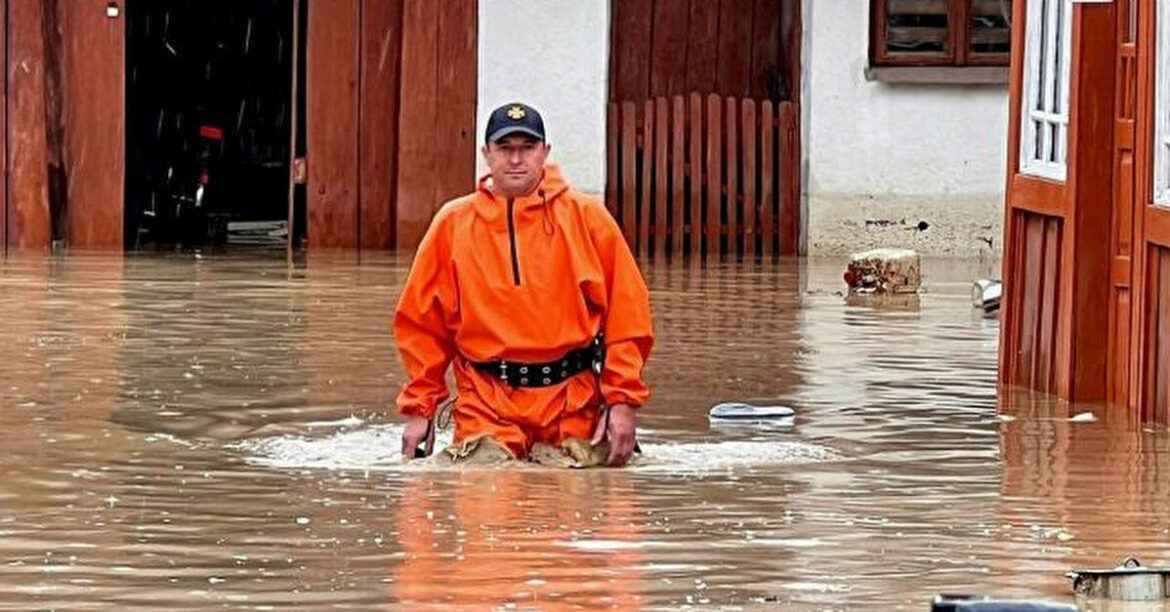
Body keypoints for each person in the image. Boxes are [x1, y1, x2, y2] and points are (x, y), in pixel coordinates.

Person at [394, 102, 654, 467]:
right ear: (486, 154)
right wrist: (420, 410)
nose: (516, 159)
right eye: (505, 148)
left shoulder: (588, 218)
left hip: (573, 408)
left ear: (544, 152)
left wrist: (622, 402)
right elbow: (423, 325)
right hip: (485, 406)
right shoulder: (452, 224)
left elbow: (628, 318)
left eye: (527, 148)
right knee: (484, 506)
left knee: (584, 507)